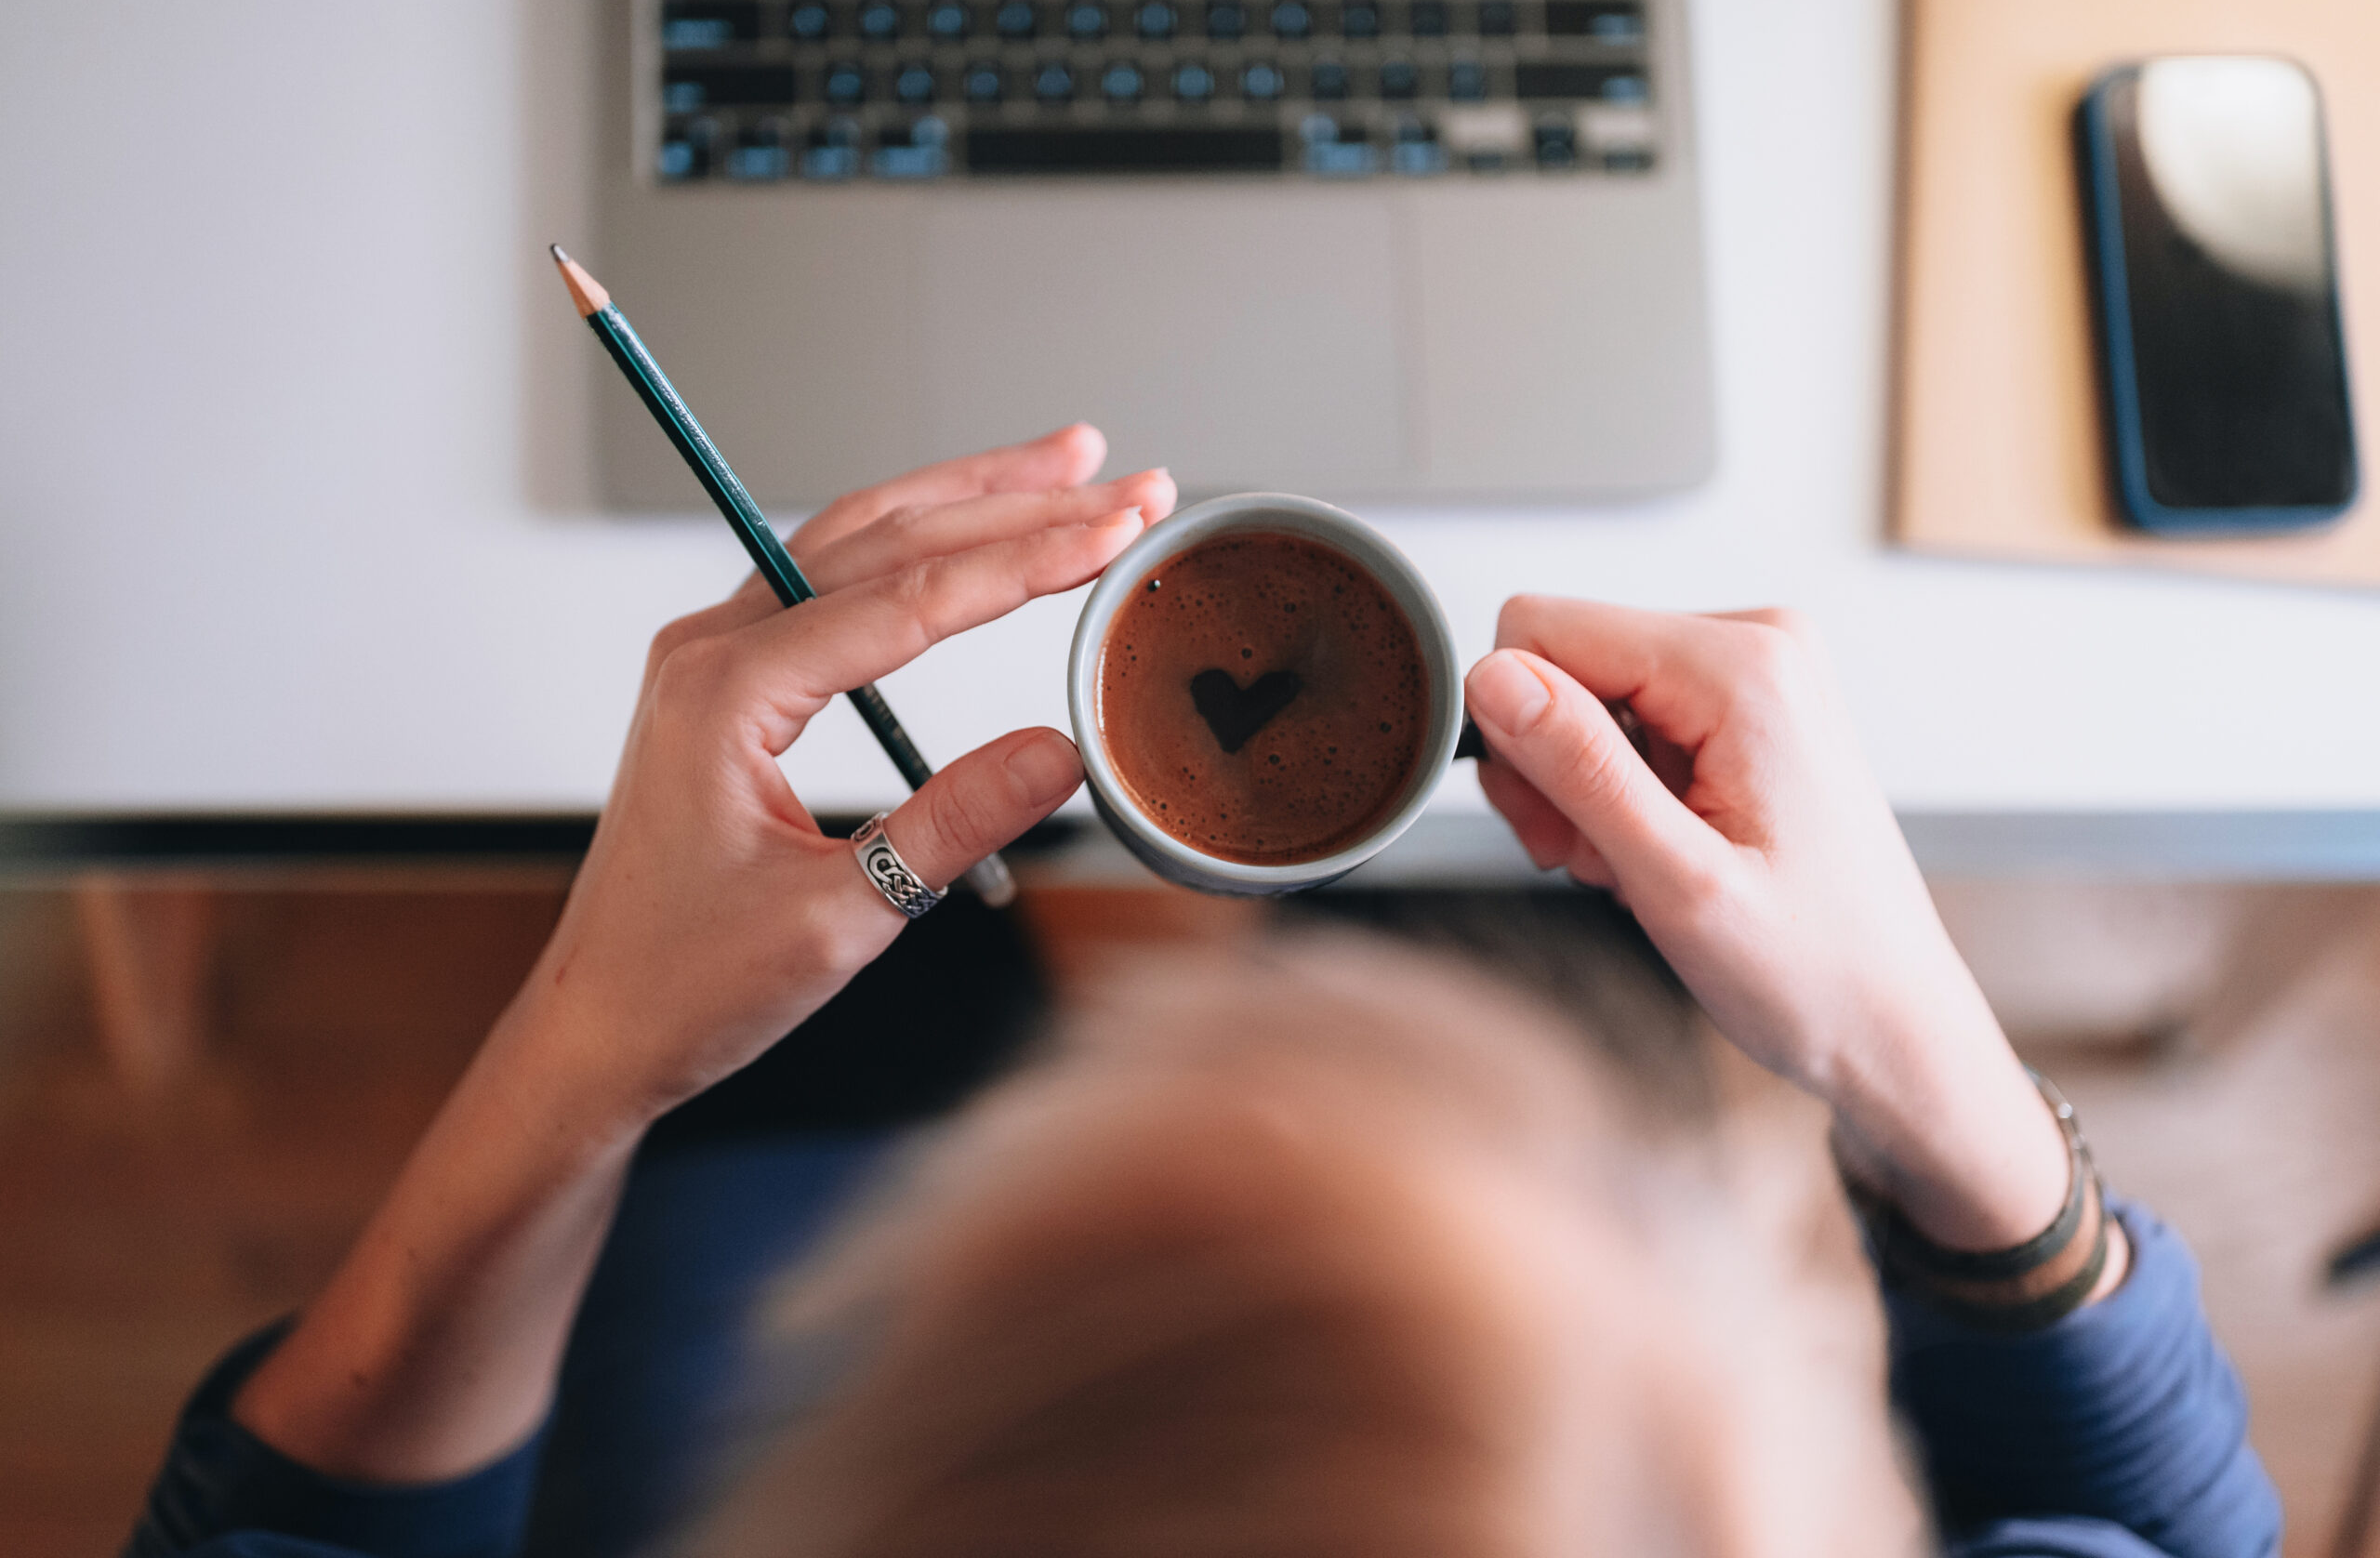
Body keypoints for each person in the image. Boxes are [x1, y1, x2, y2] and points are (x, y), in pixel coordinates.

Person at [125, 428, 2281, 1558]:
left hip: (712, 1304)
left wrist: (589, 1064)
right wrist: (1929, 1073)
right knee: (1503, 945)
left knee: (890, 1013)